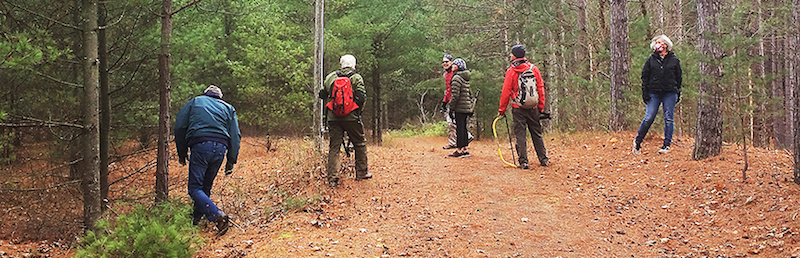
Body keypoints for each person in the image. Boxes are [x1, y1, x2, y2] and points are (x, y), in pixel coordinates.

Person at [174, 85, 241, 236]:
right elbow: (235, 134)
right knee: (205, 187)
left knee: (194, 188)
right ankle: (195, 223)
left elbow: (180, 127)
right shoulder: (228, 108)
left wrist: (182, 152)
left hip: (200, 145)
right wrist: (231, 159)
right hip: (220, 149)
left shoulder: (195, 102)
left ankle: (217, 215)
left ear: (206, 93)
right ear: (220, 97)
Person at [497, 45, 549, 169]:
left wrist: (501, 110)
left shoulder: (511, 71)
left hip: (518, 107)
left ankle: (523, 161)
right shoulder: (534, 69)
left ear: (514, 55)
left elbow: (506, 92)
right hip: (533, 107)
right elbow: (540, 88)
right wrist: (541, 106)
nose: (510, 55)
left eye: (511, 54)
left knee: (520, 134)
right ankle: (543, 159)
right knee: (536, 133)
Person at [321, 54, 370, 186]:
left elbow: (322, 94)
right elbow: (361, 97)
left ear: (341, 64)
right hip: (352, 118)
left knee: (334, 147)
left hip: (333, 118)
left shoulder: (331, 77)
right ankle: (361, 173)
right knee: (359, 143)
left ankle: (333, 179)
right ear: (354, 65)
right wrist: (356, 110)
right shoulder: (356, 78)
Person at [634, 34, 682, 155]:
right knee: (649, 117)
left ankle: (666, 145)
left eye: (660, 42)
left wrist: (677, 92)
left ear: (666, 44)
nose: (658, 45)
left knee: (669, 118)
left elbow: (679, 77)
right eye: (656, 42)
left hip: (669, 92)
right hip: (653, 93)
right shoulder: (650, 60)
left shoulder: (674, 60)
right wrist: (645, 93)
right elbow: (644, 77)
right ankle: (638, 142)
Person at [440, 54, 472, 149]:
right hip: (461, 103)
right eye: (443, 62)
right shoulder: (461, 76)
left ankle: (459, 145)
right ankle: (462, 145)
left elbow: (454, 92)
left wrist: (449, 105)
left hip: (457, 103)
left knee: (456, 125)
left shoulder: (456, 76)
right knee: (459, 125)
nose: (445, 63)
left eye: (447, 62)